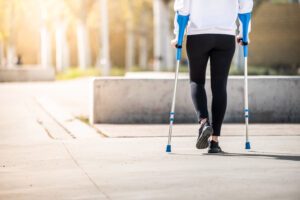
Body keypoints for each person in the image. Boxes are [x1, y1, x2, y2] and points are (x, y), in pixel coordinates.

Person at [172, 0, 253, 153]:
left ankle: (204, 122)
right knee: (220, 85)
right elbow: (245, 8)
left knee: (196, 80)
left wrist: (178, 35)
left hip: (198, 35)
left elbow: (182, 10)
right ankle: (214, 142)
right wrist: (243, 34)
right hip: (225, 36)